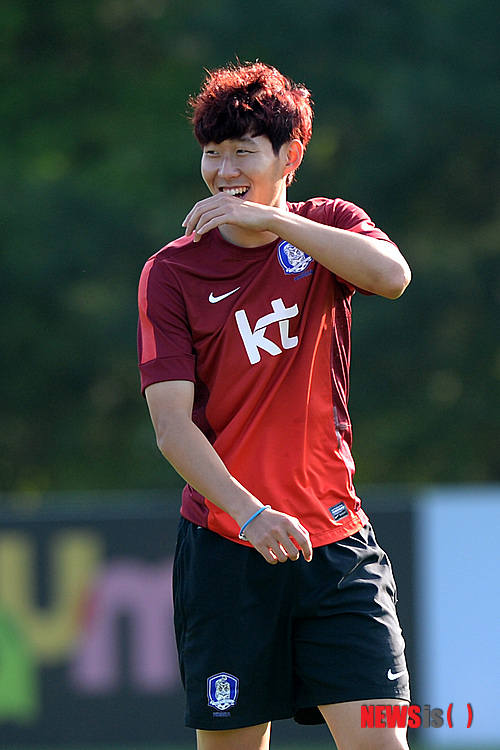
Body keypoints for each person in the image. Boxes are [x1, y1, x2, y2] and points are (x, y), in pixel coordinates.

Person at [137, 61, 412, 750]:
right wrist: (250, 514)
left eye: (243, 151)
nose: (224, 170)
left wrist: (272, 221)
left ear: (290, 156)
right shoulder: (171, 271)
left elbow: (392, 276)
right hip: (228, 549)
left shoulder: (329, 227)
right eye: (213, 152)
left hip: (338, 548)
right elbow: (172, 429)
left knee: (384, 740)